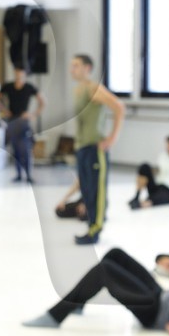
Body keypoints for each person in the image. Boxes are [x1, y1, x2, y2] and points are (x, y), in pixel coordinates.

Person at [23, 231, 169, 336]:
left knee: (105, 271)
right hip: (163, 297)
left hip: (157, 313)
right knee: (115, 254)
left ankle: (55, 316)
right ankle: (80, 301)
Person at [68, 54, 125, 246]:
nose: (72, 69)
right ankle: (91, 225)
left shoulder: (94, 88)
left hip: (95, 148)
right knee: (87, 191)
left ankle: (96, 229)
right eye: (72, 65)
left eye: (76, 65)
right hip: (82, 148)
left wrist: (111, 138)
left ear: (87, 68)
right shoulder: (78, 90)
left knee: (96, 192)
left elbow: (119, 107)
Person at [0, 67, 43, 184]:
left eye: (21, 74)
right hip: (12, 120)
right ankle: (19, 175)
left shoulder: (29, 87)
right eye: (17, 74)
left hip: (23, 121)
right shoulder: (8, 86)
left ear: (25, 75)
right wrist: (4, 110)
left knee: (25, 149)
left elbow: (42, 101)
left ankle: (28, 175)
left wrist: (33, 114)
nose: (18, 76)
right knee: (15, 149)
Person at [130, 134, 169, 210]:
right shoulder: (162, 156)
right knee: (145, 166)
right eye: (168, 144)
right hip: (158, 186)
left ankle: (143, 204)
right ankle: (136, 196)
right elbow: (158, 170)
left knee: (161, 197)